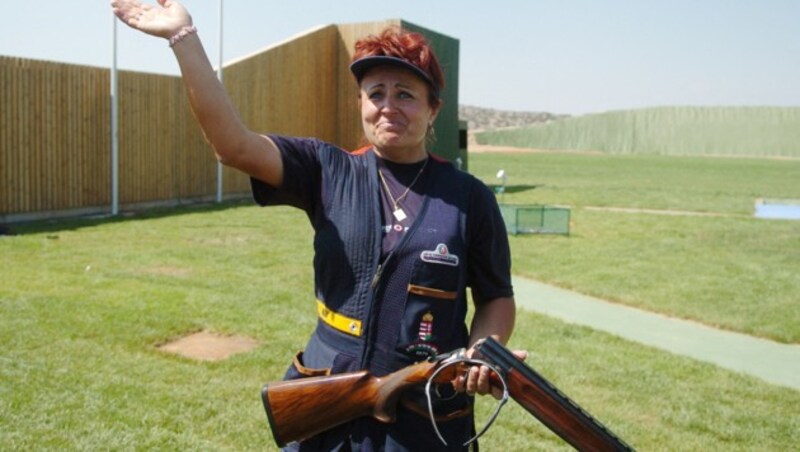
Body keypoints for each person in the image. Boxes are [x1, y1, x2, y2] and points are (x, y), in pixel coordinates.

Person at [112, 1, 523, 450]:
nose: (388, 106)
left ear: (433, 110)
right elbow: (233, 145)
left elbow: (496, 297)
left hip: (425, 413)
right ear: (360, 103)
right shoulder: (327, 169)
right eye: (376, 93)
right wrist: (183, 38)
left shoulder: (469, 197)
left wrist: (480, 352)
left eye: (405, 94)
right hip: (329, 393)